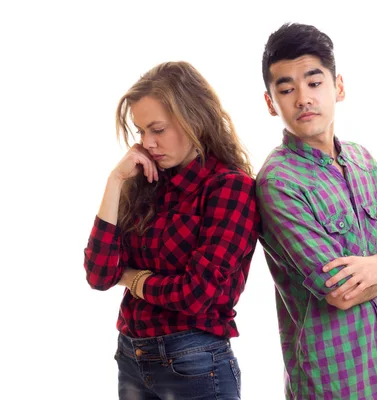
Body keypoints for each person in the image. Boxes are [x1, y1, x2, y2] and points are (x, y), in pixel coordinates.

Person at [256, 23, 377, 400]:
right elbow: (340, 293)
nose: (303, 98)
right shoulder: (279, 182)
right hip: (331, 387)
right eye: (287, 89)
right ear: (271, 103)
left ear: (338, 86)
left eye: (314, 82)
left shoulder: (361, 160)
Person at [83, 61, 260, 400]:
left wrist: (133, 279)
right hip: (131, 356)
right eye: (140, 131)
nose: (147, 142)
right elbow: (100, 274)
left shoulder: (229, 188)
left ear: (194, 118)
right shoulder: (145, 181)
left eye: (158, 129)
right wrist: (115, 182)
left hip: (194, 361)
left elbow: (198, 294)